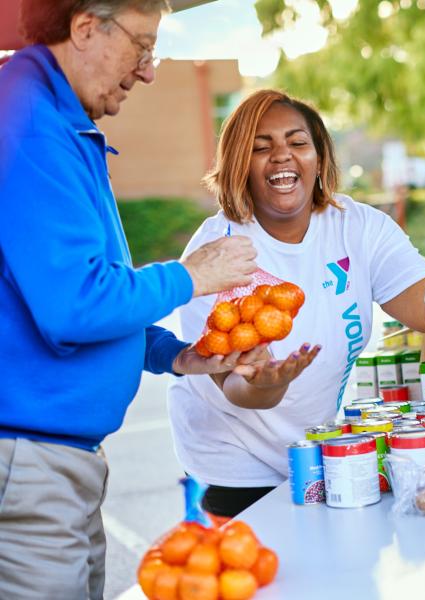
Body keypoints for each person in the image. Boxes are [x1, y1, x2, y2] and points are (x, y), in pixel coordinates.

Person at [0, 1, 262, 597]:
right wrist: (191, 275)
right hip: (27, 460)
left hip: (56, 460)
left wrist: (174, 354)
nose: (148, 71)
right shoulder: (30, 124)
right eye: (143, 46)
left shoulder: (55, 121)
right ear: (87, 27)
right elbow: (75, 306)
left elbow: (68, 292)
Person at [168, 90, 425, 518]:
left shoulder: (357, 225)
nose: (281, 157)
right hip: (236, 464)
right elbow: (235, 387)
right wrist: (267, 382)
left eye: (297, 143)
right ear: (240, 163)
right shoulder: (220, 252)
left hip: (316, 444)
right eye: (261, 147)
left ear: (319, 157)